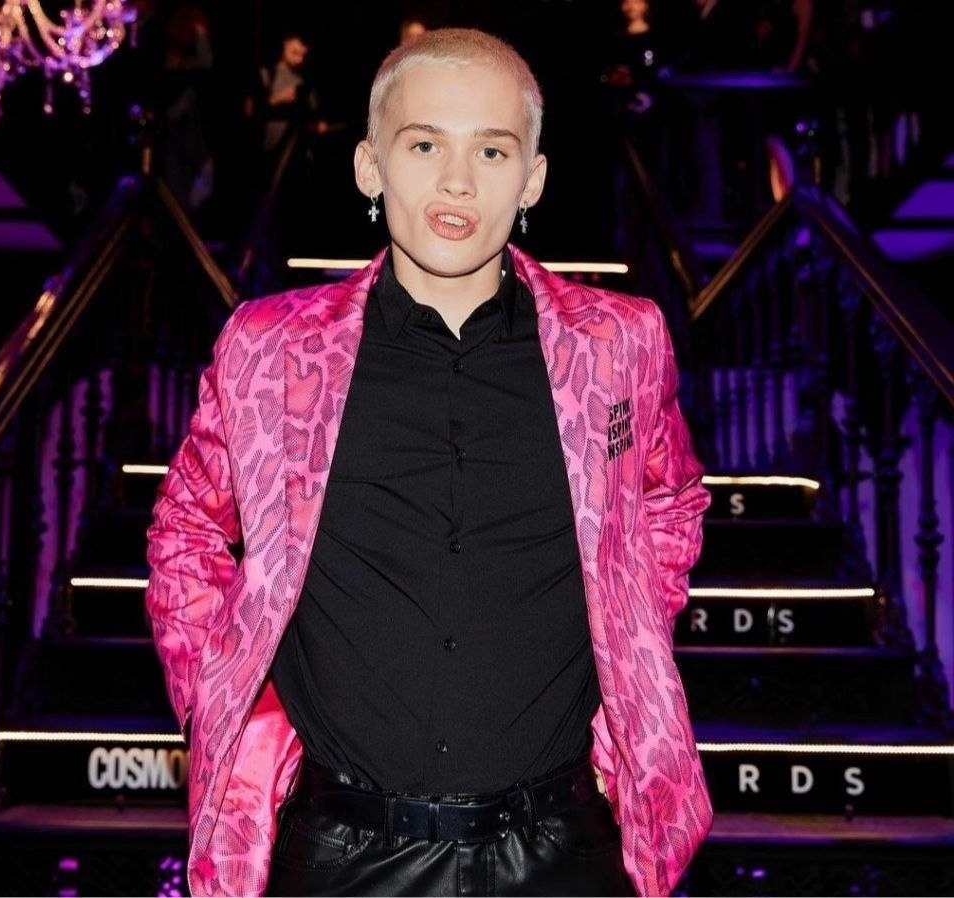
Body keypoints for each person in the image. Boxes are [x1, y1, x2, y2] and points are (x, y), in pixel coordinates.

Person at [146, 27, 712, 898]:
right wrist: (223, 691)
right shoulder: (270, 348)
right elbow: (186, 528)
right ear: (370, 167)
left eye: (492, 150)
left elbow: (670, 501)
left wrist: (632, 641)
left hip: (562, 850)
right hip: (340, 857)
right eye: (423, 145)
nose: (457, 181)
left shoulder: (619, 343)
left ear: (532, 179)